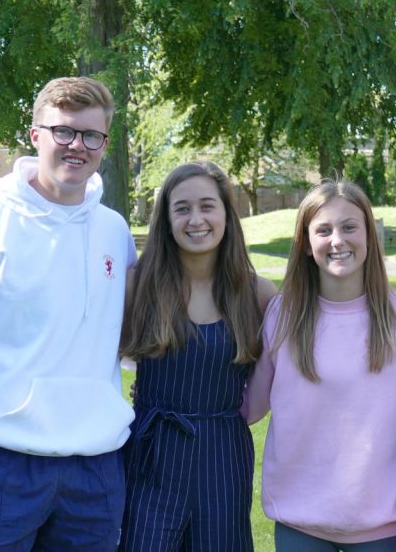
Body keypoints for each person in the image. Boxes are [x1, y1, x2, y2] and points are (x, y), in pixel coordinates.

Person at [0, 76, 136, 551]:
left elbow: (131, 339)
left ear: (104, 143)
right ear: (36, 135)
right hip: (2, 468)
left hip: (96, 471)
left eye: (91, 136)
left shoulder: (113, 230)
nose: (76, 146)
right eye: (63, 131)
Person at [243, 181, 396, 551]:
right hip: (301, 520)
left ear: (370, 236)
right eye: (323, 230)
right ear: (306, 245)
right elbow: (250, 407)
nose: (337, 240)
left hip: (384, 522)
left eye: (349, 227)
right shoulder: (283, 314)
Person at [117, 161, 277, 551]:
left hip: (223, 455)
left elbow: (273, 382)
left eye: (207, 206)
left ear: (226, 213)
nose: (196, 219)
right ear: (166, 220)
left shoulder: (257, 294)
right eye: (182, 208)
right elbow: (104, 356)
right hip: (152, 450)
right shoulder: (138, 285)